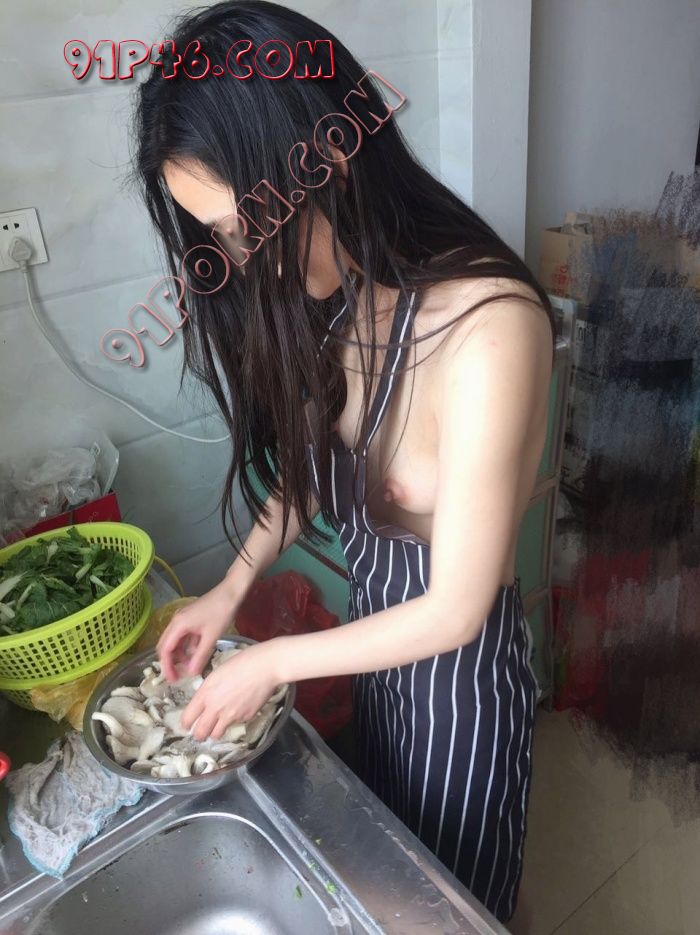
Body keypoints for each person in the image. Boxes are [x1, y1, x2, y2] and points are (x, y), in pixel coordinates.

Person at [134, 1, 555, 923]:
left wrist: (269, 662)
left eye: (241, 228)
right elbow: (307, 468)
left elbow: (455, 609)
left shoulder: (491, 330)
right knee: (386, 874)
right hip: (378, 658)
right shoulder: (343, 296)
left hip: (459, 694)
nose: (239, 261)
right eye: (217, 237)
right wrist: (228, 591)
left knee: (456, 902)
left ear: (325, 161)